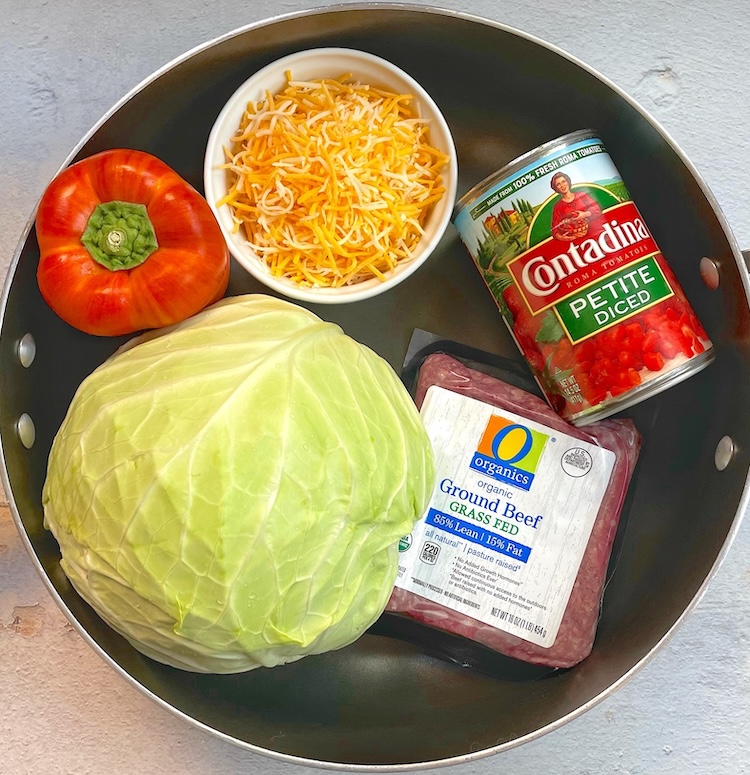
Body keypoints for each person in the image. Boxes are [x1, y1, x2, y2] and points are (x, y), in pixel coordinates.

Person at [549, 172, 601, 242]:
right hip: (575, 242)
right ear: (556, 188)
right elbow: (555, 229)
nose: (562, 185)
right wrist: (563, 238)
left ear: (568, 182)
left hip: (595, 233)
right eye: (558, 184)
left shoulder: (582, 195)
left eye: (563, 181)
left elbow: (597, 209)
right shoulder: (558, 206)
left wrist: (584, 214)